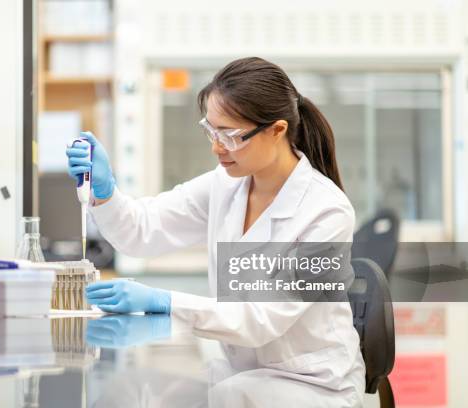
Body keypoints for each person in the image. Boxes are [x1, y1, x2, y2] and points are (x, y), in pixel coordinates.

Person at [66, 57, 365, 405]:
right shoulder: (226, 185)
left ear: (277, 130)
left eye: (231, 136)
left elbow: (260, 319)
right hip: (244, 378)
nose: (217, 147)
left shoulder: (327, 212)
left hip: (312, 388)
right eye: (211, 130)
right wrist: (106, 193)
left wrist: (165, 302)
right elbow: (142, 231)